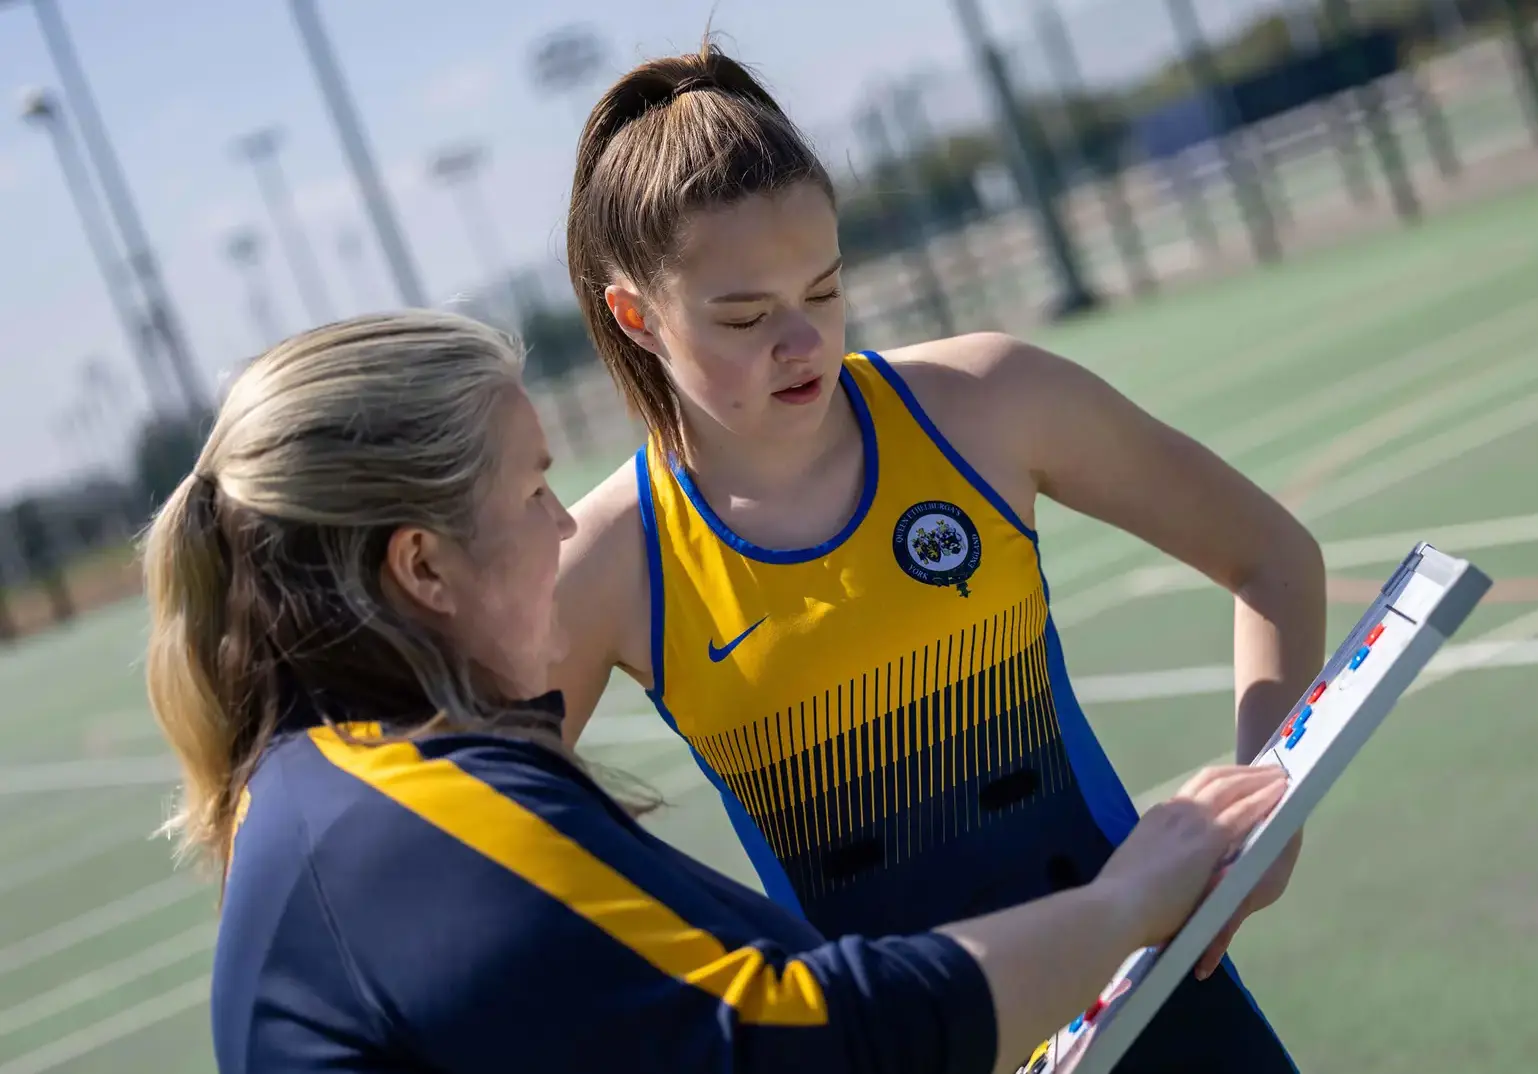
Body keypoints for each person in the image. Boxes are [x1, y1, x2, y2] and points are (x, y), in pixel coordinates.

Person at [142, 309, 1286, 1074]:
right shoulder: (422, 826)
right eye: (536, 490)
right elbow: (804, 1035)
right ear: (423, 566)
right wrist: (1125, 904)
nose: (561, 527)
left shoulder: (328, 797)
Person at [553, 40, 1328, 1072]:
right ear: (634, 317)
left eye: (823, 292)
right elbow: (485, 862)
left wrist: (1265, 800)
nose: (802, 342)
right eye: (744, 315)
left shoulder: (990, 402)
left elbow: (1270, 555)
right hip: (905, 1049)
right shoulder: (606, 561)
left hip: (1152, 1004)